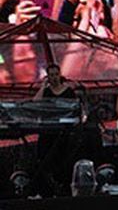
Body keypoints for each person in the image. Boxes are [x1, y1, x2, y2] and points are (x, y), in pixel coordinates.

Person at [32, 64, 77, 196]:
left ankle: (63, 188)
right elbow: (35, 102)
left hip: (64, 131)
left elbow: (75, 108)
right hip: (48, 130)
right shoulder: (46, 92)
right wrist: (43, 86)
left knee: (62, 160)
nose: (54, 78)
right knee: (45, 159)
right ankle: (46, 190)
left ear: (60, 75)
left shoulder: (68, 91)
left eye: (56, 74)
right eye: (51, 75)